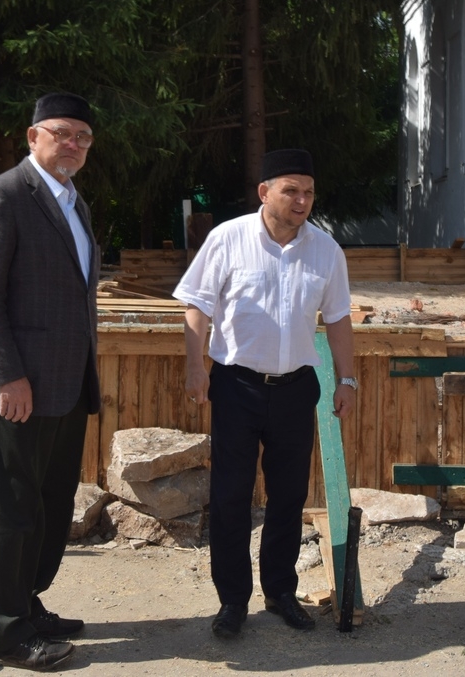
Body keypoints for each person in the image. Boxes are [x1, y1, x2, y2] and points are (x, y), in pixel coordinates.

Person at [174, 149, 357, 639]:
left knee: (289, 496)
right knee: (230, 496)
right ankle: (233, 601)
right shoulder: (227, 238)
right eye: (291, 190)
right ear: (264, 192)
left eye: (309, 192)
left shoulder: (326, 250)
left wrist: (347, 379)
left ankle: (280, 592)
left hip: (297, 390)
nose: (302, 200)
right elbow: (197, 305)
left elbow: (338, 318)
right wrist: (195, 366)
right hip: (237, 387)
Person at [0, 92, 101, 671]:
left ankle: (27, 603)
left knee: (48, 505)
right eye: (63, 133)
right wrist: (8, 375)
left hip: (66, 387)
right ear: (33, 136)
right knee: (10, 509)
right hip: (17, 389)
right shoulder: (2, 195)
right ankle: (4, 631)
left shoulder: (75, 202)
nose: (73, 145)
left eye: (83, 138)